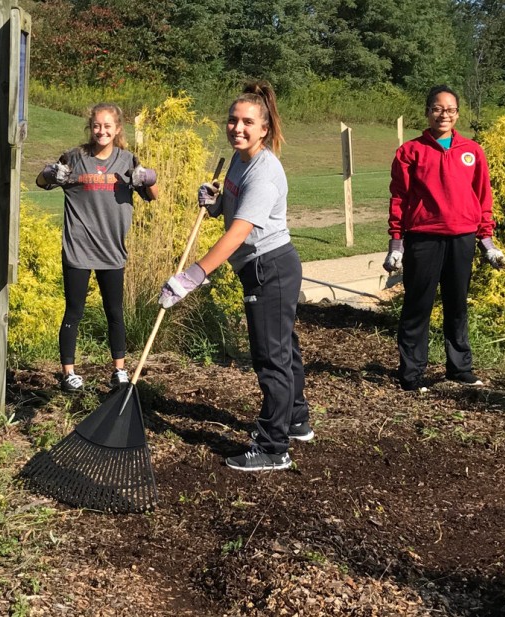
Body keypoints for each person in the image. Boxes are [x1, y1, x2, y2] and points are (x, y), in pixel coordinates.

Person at [159, 81, 312, 472]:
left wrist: (191, 276)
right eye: (232, 120)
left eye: (247, 122)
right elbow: (233, 208)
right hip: (264, 266)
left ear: (264, 128)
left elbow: (239, 232)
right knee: (284, 348)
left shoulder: (264, 170)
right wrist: (216, 203)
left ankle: (273, 447)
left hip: (270, 268)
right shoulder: (238, 160)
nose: (237, 128)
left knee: (271, 358)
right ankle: (295, 420)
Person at [383, 85, 505, 393]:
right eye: (438, 109)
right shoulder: (410, 152)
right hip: (423, 239)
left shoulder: (472, 151)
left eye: (450, 110)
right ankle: (411, 375)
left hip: (462, 238)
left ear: (457, 114)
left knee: (457, 304)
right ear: (427, 112)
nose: (444, 115)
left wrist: (487, 241)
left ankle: (459, 368)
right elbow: (399, 197)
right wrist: (396, 243)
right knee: (418, 305)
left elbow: (482, 196)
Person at [38, 102, 160, 392]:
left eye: (107, 126)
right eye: (96, 126)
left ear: (117, 129)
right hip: (78, 248)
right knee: (74, 310)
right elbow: (42, 181)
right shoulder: (75, 158)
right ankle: (68, 373)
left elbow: (152, 195)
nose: (101, 131)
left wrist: (148, 178)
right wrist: (50, 172)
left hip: (111, 250)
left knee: (114, 311)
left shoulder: (128, 160)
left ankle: (118, 369)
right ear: (90, 127)